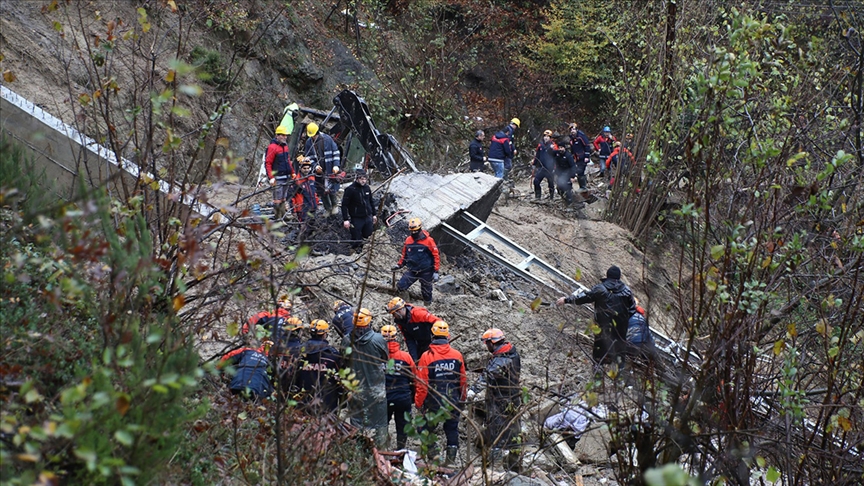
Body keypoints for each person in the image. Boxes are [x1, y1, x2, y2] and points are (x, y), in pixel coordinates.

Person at [556, 266, 636, 365]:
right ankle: (618, 376)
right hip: (620, 329)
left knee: (599, 353)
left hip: (603, 326)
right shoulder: (627, 291)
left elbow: (584, 298)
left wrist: (566, 300)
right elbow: (632, 309)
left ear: (608, 275)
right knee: (619, 354)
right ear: (619, 277)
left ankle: (598, 373)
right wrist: (622, 319)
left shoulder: (601, 289)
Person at [415, 320, 467, 464]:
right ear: (448, 337)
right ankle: (450, 462)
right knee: (451, 429)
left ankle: (435, 457)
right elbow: (463, 380)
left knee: (424, 428)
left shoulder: (427, 356)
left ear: (432, 336)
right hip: (453, 399)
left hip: (434, 401)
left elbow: (422, 384)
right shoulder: (457, 355)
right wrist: (462, 398)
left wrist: (419, 403)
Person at [467, 328, 522, 456]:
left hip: (500, 398)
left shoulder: (501, 360)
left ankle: (496, 459)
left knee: (497, 427)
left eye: (487, 343)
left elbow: (488, 376)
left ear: (492, 342)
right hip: (513, 395)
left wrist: (473, 390)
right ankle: (513, 453)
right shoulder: (512, 353)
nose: (486, 346)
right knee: (513, 425)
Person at [343, 308, 389, 447]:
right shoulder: (378, 339)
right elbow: (385, 359)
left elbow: (344, 361)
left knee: (357, 423)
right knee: (380, 423)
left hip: (356, 389)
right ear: (369, 321)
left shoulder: (346, 341)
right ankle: (382, 453)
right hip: (377, 389)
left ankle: (358, 454)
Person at [381, 324, 418, 450]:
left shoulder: (376, 357)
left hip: (384, 397)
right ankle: (400, 449)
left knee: (382, 424)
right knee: (402, 425)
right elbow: (414, 377)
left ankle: (383, 450)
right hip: (403, 397)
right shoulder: (405, 357)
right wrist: (413, 396)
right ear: (396, 338)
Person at [296, 319, 343, 414]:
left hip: (304, 402)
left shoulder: (300, 353)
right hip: (328, 403)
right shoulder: (332, 356)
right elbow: (340, 378)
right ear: (325, 334)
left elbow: (294, 377)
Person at [392, 218, 440, 306]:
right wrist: (399, 265)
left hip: (426, 271)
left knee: (426, 291)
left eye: (416, 231)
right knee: (401, 285)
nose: (414, 233)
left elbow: (436, 255)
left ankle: (428, 305)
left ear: (420, 229)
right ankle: (405, 304)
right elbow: (404, 255)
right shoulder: (408, 240)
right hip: (412, 270)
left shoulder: (429, 241)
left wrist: (436, 271)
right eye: (412, 231)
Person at [385, 296, 441, 361]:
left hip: (432, 340)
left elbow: (438, 322)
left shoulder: (418, 313)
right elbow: (409, 340)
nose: (394, 316)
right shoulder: (401, 322)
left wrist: (442, 339)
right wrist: (413, 358)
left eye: (394, 314)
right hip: (420, 343)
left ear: (399, 311)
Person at [304, 122, 341, 215]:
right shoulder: (309, 142)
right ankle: (328, 208)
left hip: (329, 167)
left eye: (314, 135)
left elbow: (336, 152)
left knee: (331, 187)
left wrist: (336, 165)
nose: (313, 137)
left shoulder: (327, 139)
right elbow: (309, 157)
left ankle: (334, 205)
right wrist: (315, 166)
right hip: (319, 171)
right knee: (321, 189)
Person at [340, 169, 378, 250]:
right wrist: (345, 219)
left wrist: (374, 214)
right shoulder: (350, 189)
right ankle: (354, 251)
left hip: (368, 216)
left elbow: (371, 201)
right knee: (356, 237)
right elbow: (344, 205)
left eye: (365, 179)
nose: (363, 181)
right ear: (357, 178)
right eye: (361, 179)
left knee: (368, 235)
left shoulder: (367, 188)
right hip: (356, 218)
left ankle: (365, 251)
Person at [265, 125, 295, 221]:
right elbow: (268, 163)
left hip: (286, 176)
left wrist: (292, 172)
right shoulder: (272, 147)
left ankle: (283, 215)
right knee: (277, 199)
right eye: (283, 135)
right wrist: (271, 177)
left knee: (283, 198)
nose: (285, 137)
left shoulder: (285, 147)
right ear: (277, 135)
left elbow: (288, 160)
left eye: (286, 135)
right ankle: (278, 217)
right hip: (277, 178)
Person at [274, 317, 306, 398]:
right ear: (297, 331)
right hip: (291, 388)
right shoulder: (299, 350)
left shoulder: (276, 346)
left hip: (275, 387)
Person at [291, 156, 319, 223]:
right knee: (303, 226)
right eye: (304, 168)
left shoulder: (312, 178)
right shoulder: (296, 181)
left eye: (308, 168)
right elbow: (292, 197)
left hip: (312, 207)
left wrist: (316, 203)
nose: (306, 170)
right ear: (300, 168)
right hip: (302, 209)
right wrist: (293, 211)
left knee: (312, 225)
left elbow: (314, 192)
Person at [532, 130, 556, 200]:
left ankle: (551, 197)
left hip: (550, 168)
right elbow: (537, 155)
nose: (546, 138)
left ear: (551, 138)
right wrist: (534, 164)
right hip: (541, 168)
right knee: (536, 181)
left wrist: (555, 167)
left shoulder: (553, 146)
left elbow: (557, 156)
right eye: (545, 136)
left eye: (548, 136)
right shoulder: (540, 145)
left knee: (551, 184)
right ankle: (538, 196)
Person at [552, 136, 575, 205]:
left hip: (567, 173)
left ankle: (570, 202)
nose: (560, 149)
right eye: (559, 148)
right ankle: (563, 198)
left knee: (567, 188)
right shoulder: (557, 154)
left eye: (562, 147)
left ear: (564, 148)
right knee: (559, 187)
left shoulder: (568, 156)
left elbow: (573, 166)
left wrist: (572, 176)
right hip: (559, 173)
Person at [569, 123, 592, 190]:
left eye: (573, 129)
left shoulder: (581, 137)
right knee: (579, 171)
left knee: (580, 171)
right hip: (577, 158)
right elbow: (572, 150)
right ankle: (582, 186)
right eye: (571, 130)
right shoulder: (572, 139)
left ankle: (583, 187)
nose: (572, 131)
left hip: (583, 157)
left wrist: (586, 156)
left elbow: (587, 145)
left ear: (576, 129)